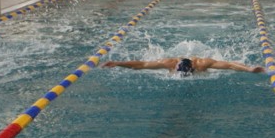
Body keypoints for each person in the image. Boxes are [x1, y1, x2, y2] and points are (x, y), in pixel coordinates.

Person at [102, 57, 265, 76]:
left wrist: (249, 69)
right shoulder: (168, 63)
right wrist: (118, 63)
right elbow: (142, 64)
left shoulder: (202, 64)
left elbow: (229, 65)